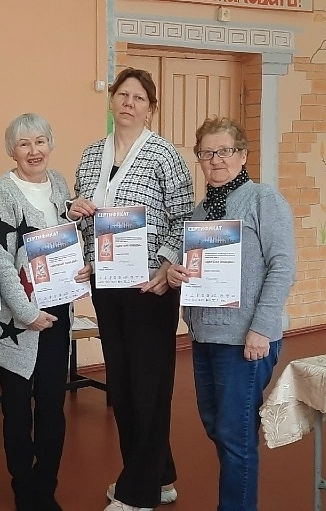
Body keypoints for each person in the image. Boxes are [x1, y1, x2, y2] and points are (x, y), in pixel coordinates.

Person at [69, 68, 194, 511]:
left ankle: (137, 492)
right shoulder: (91, 155)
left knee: (147, 386)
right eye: (123, 94)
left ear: (150, 108)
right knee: (123, 384)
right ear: (112, 100)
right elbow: (85, 220)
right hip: (107, 284)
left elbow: (183, 218)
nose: (129, 103)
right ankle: (159, 476)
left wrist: (166, 264)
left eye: (139, 98)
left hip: (149, 287)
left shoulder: (164, 155)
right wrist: (78, 220)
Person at [167, 117, 295, 511]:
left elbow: (282, 266)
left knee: (236, 436)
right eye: (207, 153)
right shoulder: (200, 211)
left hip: (245, 340)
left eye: (224, 151)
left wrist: (261, 328)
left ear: (242, 155)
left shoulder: (263, 200)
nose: (216, 160)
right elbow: (192, 269)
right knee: (217, 426)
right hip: (204, 336)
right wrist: (175, 275)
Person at [0, 113, 91, 511]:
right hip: (17, 320)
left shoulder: (60, 184)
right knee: (17, 409)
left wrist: (82, 264)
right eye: (24, 143)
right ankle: (23, 486)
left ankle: (46, 486)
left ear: (50, 144)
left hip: (58, 313)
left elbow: (66, 241)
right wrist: (27, 312)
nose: (34, 151)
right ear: (11, 150)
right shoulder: (1, 190)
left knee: (51, 406)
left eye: (40, 141)